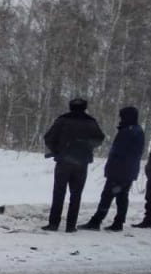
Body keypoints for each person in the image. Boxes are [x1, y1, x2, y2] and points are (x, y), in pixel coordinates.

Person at [42, 98, 105, 232]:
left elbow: (48, 138)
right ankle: (71, 226)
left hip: (63, 161)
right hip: (82, 163)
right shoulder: (91, 122)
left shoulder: (62, 120)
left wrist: (58, 150)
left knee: (59, 193)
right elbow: (100, 139)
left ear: (70, 107)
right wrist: (87, 147)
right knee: (76, 195)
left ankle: (53, 224)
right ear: (85, 107)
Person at [80, 106, 144, 231]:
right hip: (128, 170)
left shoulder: (128, 131)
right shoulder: (137, 130)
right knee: (122, 197)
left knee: (107, 196)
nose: (120, 119)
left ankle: (97, 221)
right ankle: (118, 222)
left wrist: (112, 167)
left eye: (122, 116)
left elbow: (119, 152)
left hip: (119, 170)